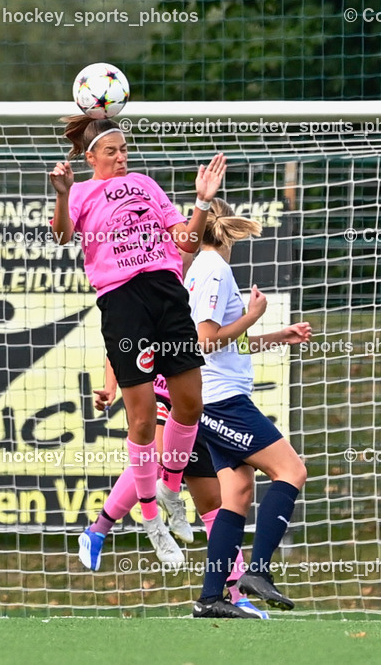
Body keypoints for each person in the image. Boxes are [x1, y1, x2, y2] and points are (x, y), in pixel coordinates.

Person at [50, 114, 226, 567]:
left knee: (190, 402)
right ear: (92, 157)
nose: (122, 156)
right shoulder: (83, 191)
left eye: (125, 149)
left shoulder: (147, 183)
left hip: (166, 292)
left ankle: (170, 489)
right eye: (112, 150)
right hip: (123, 299)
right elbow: (63, 235)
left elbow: (186, 242)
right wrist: (63, 193)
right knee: (143, 419)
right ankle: (150, 522)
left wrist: (202, 203)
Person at [185, 199, 311, 619]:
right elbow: (206, 340)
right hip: (223, 402)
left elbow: (225, 344)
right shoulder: (214, 269)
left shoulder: (202, 269)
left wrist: (277, 334)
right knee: (292, 470)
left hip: (213, 397)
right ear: (228, 233)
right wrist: (254, 315)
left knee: (236, 493)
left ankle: (209, 598)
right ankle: (257, 571)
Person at [84, 362, 270, 618]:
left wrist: (278, 337)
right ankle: (104, 529)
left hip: (206, 398)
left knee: (214, 502)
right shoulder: (177, 328)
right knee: (159, 459)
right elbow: (121, 333)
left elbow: (234, 342)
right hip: (164, 388)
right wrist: (111, 385)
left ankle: (238, 596)